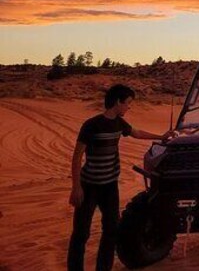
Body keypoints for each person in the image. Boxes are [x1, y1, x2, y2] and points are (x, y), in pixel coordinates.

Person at [68, 84, 175, 271]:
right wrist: (76, 188)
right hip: (89, 185)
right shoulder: (91, 125)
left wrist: (162, 137)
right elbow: (77, 156)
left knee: (111, 231)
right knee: (81, 233)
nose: (129, 107)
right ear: (117, 102)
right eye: (127, 103)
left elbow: (137, 133)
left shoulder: (119, 123)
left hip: (110, 186)